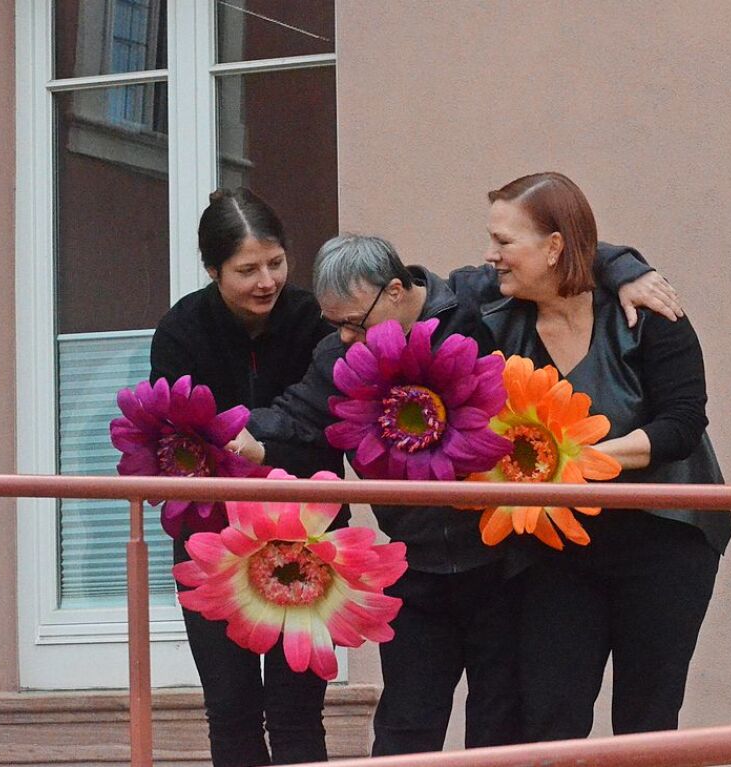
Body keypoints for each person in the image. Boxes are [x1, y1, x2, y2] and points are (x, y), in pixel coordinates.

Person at [231, 233, 681, 755]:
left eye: (357, 321)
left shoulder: (474, 302)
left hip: (501, 564)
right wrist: (244, 435)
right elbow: (296, 416)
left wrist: (629, 270)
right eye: (337, 326)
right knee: (405, 727)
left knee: (498, 726)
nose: (348, 338)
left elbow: (551, 254)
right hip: (417, 567)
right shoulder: (340, 354)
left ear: (396, 290)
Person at [479, 172, 731, 741]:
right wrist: (623, 261)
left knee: (646, 722)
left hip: (665, 539)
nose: (490, 255)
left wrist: (579, 459)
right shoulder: (494, 314)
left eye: (504, 242)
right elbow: (426, 289)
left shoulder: (648, 312)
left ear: (553, 248)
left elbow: (682, 425)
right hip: (558, 551)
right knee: (548, 717)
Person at [150, 188, 345, 767]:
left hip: (309, 535)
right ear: (212, 270)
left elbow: (331, 425)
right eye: (246, 269)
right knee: (231, 711)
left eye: (276, 262)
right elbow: (169, 441)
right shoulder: (182, 329)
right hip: (211, 542)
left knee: (297, 713)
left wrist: (264, 446)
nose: (267, 280)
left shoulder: (315, 319)